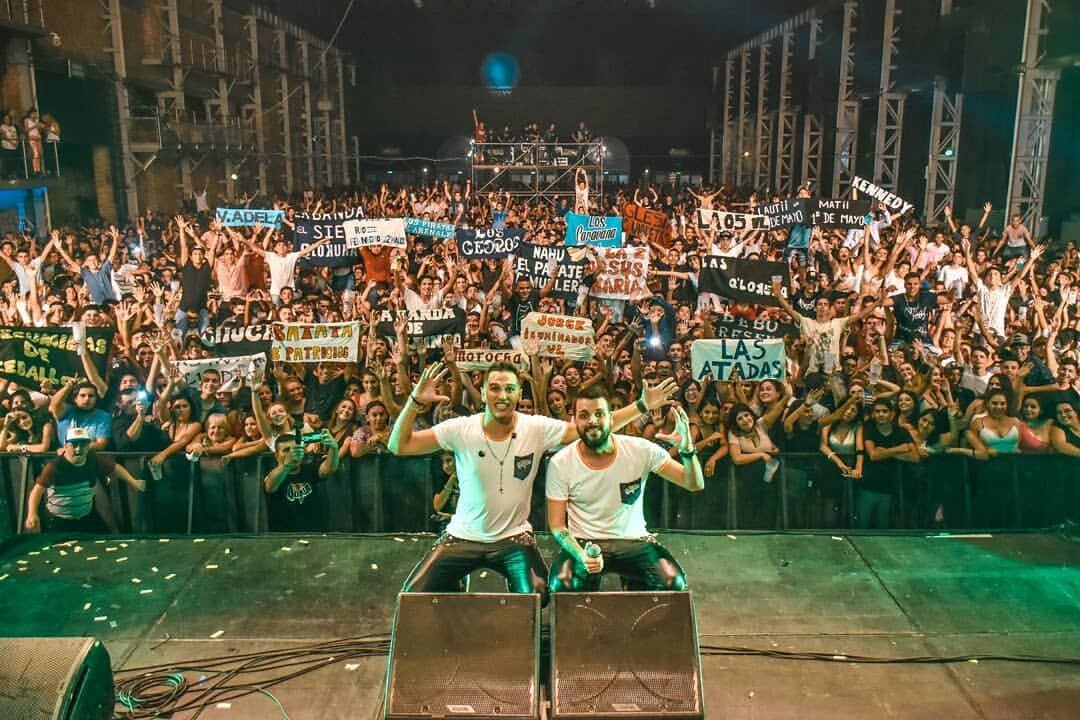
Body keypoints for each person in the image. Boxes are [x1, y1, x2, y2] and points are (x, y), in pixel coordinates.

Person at [388, 360, 676, 601]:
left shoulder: (535, 428)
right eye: (495, 388)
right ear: (484, 391)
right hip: (462, 536)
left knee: (537, 595)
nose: (502, 395)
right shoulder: (460, 429)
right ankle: (454, 583)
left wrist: (640, 405)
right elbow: (399, 446)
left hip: (513, 539)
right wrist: (414, 402)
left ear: (518, 393)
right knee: (413, 596)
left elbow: (590, 426)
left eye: (510, 389)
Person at [546, 387, 702, 592]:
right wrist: (580, 554)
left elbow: (693, 483)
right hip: (585, 542)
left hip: (634, 540)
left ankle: (633, 584)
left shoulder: (640, 450)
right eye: (584, 415)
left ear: (611, 418)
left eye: (599, 414)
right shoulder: (561, 462)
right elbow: (557, 526)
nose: (592, 420)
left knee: (673, 583)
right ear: (574, 421)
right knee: (562, 585)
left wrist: (687, 451)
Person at [24, 427, 145, 533]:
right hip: (59, 520)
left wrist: (133, 482)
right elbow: (37, 491)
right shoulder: (55, 467)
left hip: (86, 517)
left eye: (82, 444)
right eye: (74, 445)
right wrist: (32, 513)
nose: (78, 449)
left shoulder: (94, 459)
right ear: (66, 446)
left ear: (88, 446)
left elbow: (115, 468)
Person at [263, 428, 341, 531]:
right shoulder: (273, 474)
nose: (292, 453)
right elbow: (270, 486)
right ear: (276, 456)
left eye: (295, 449)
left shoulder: (308, 469)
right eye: (286, 450)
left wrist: (334, 448)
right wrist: (287, 465)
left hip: (314, 533)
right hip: (284, 536)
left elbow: (329, 468)